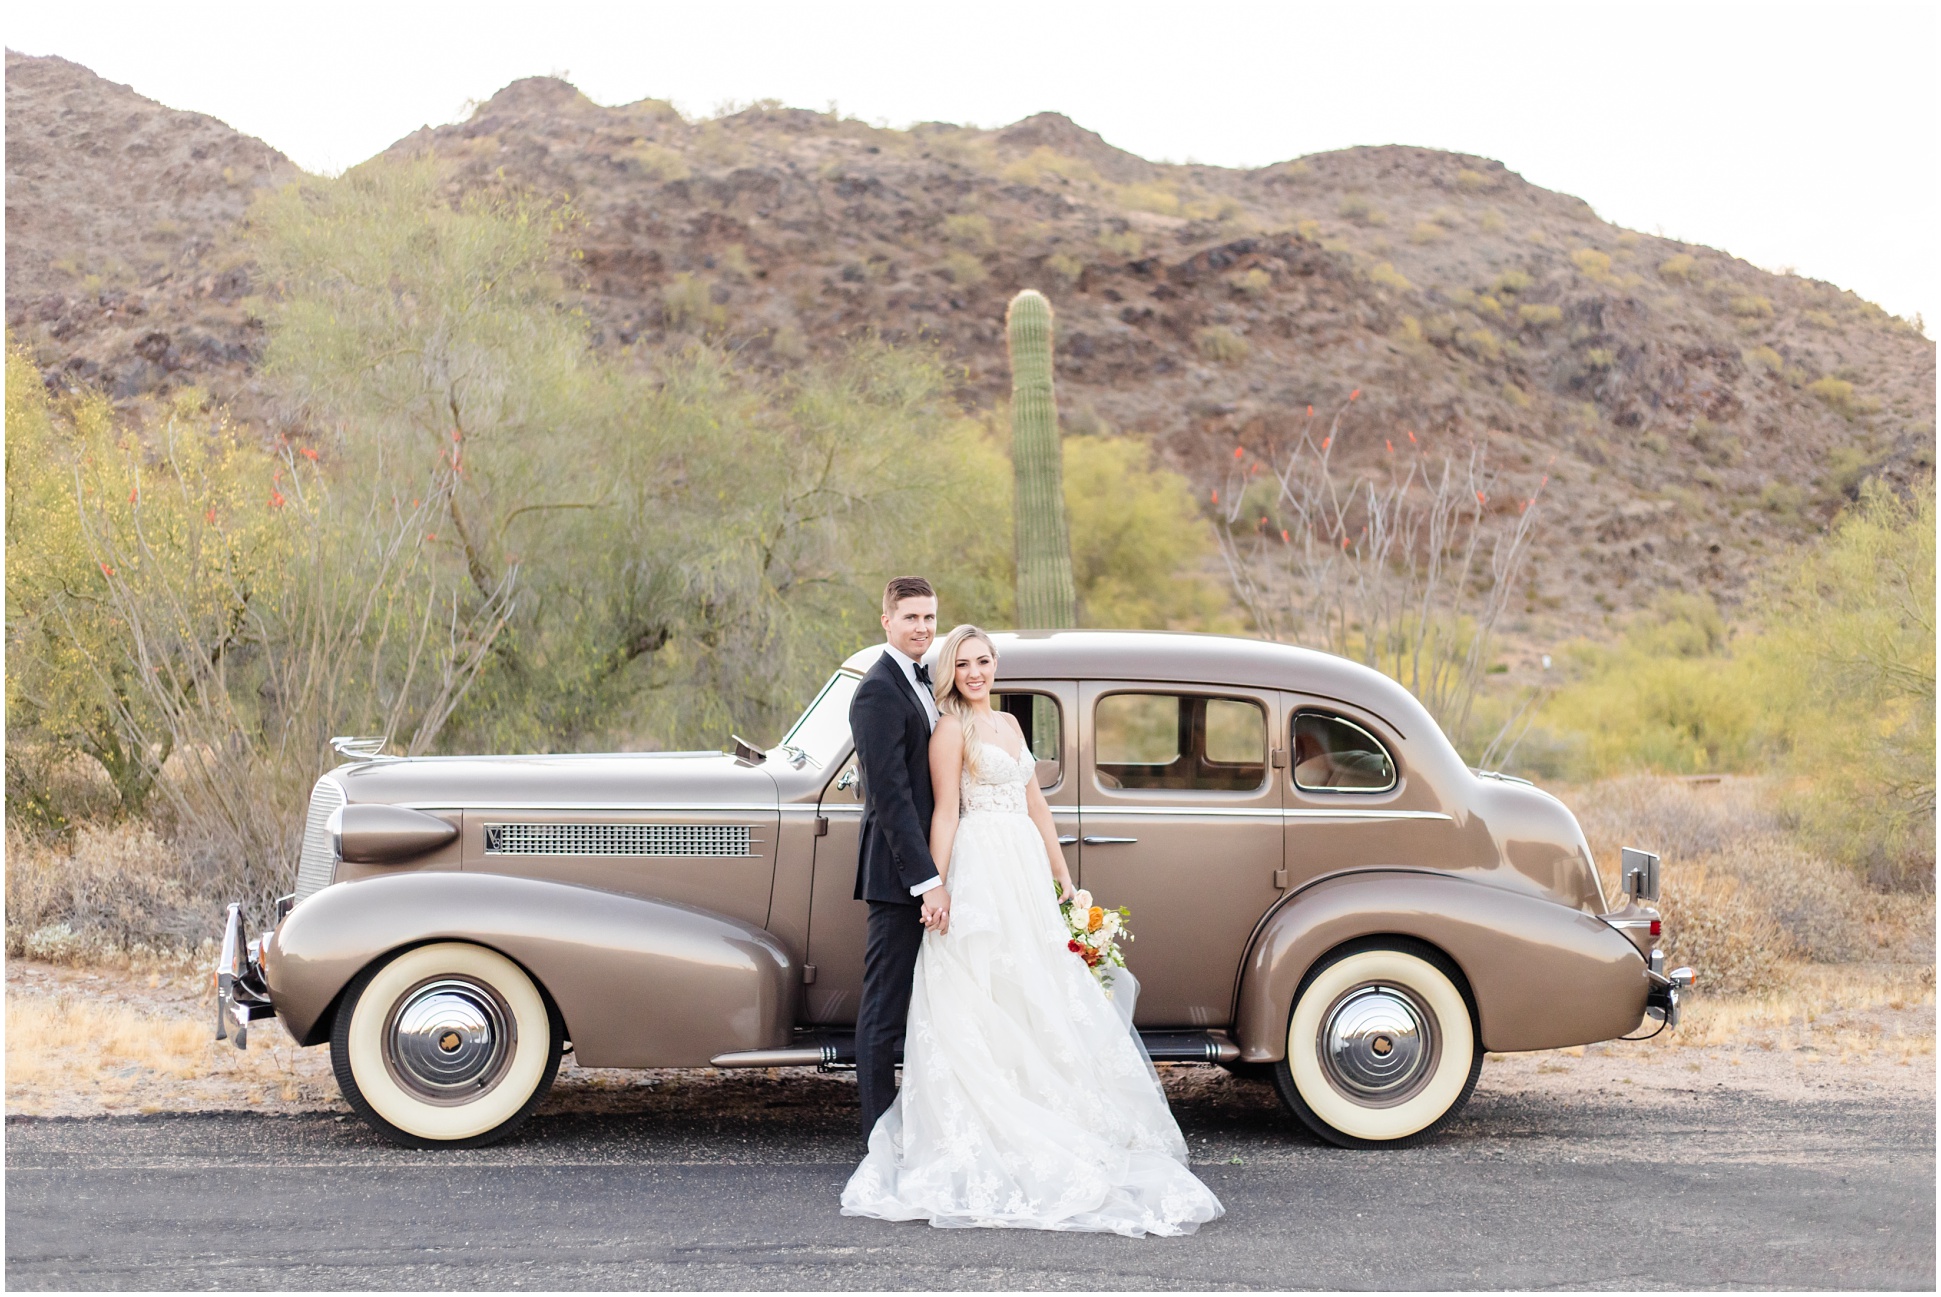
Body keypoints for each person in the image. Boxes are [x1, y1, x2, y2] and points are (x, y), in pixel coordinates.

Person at [842, 623, 1224, 1237]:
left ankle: (1051, 1107)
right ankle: (988, 1121)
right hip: (980, 870)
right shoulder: (949, 730)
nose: (975, 672)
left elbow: (1036, 807)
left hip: (1021, 869)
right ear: (950, 672)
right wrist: (935, 884)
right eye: (963, 663)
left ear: (996, 666)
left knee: (1038, 987)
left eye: (983, 661)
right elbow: (944, 810)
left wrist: (1064, 881)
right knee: (982, 991)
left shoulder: (1012, 727)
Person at [848, 576, 950, 1139]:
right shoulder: (878, 690)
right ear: (886, 620)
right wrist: (926, 880)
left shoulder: (924, 679)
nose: (922, 628)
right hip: (898, 878)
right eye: (911, 617)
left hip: (928, 869)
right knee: (883, 1011)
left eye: (930, 618)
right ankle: (877, 1134)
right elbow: (889, 796)